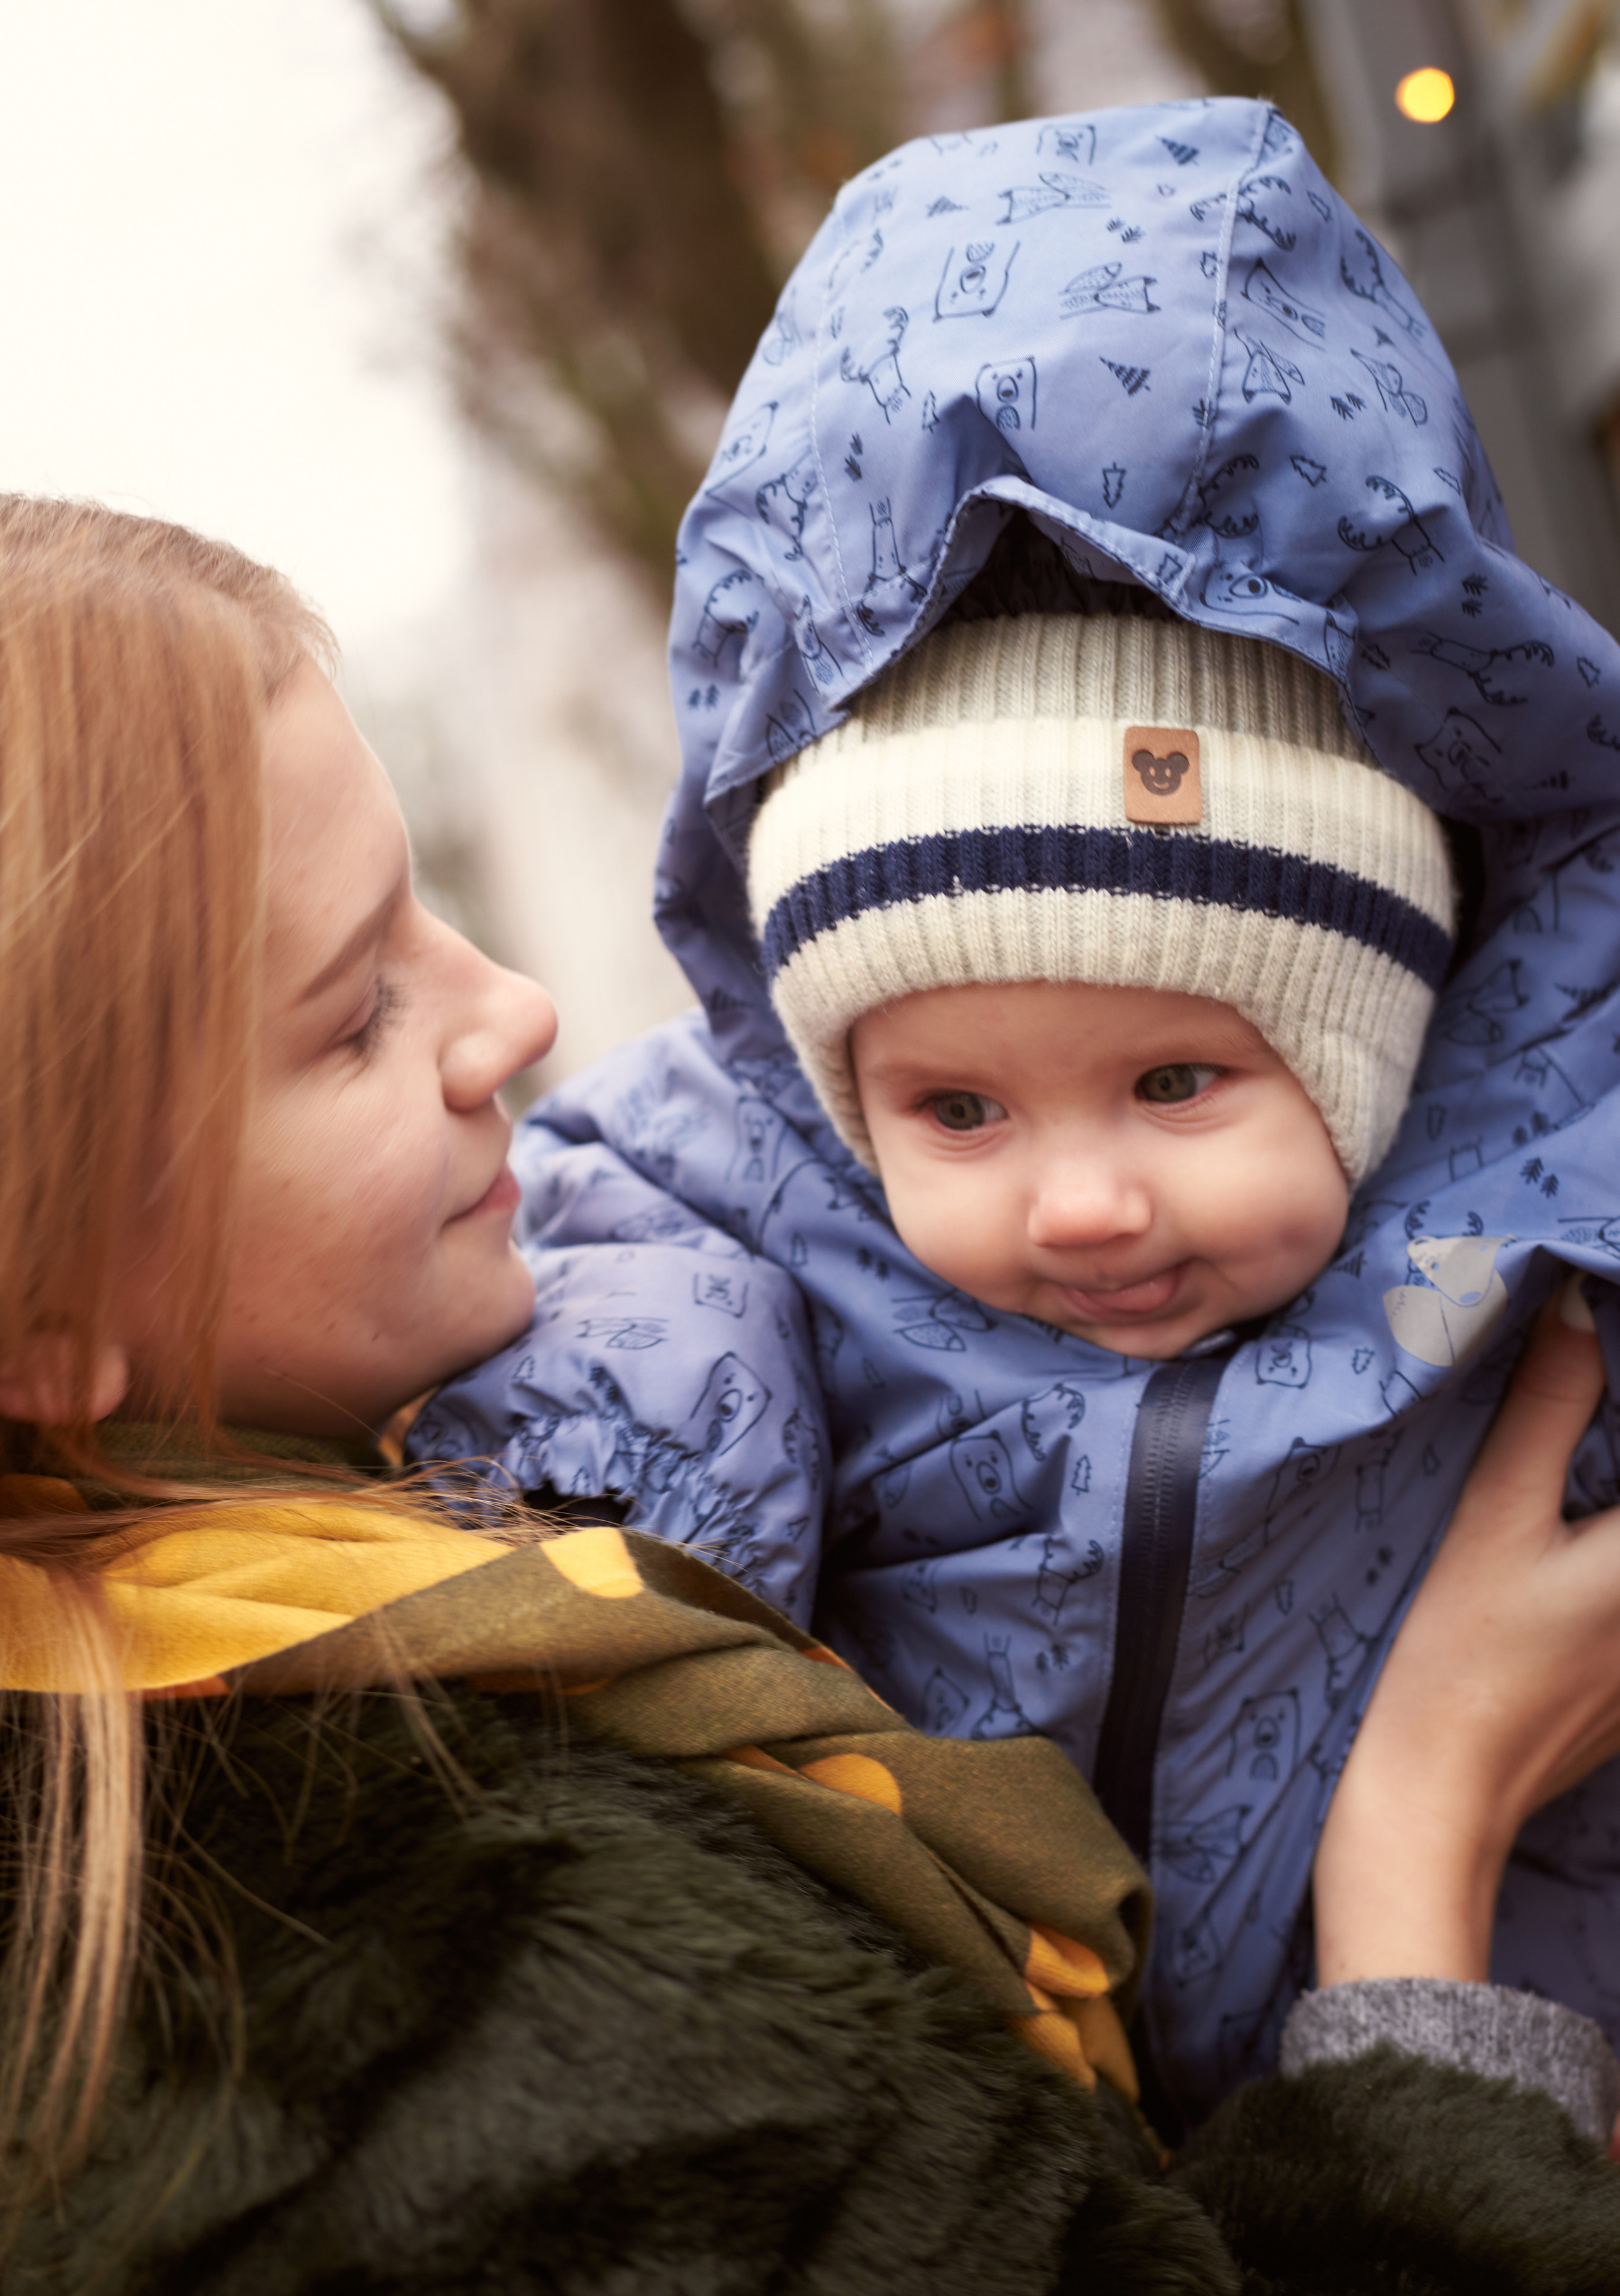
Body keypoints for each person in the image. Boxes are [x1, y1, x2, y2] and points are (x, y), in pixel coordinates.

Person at [4, 498, 1620, 2296]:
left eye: (430, 916)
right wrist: (1422, 1830)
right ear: (43, 1316)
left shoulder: (414, 1583)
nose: (513, 1012)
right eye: (358, 1016)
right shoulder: (363, 2022)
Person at [415, 95, 1620, 2124]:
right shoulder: (742, 1227)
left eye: (1176, 1080)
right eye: (957, 1106)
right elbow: (602, 1286)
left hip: (1500, 2137)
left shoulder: (1550, 1217)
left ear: (1377, 1032)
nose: (1080, 1203)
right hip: (1022, 2161)